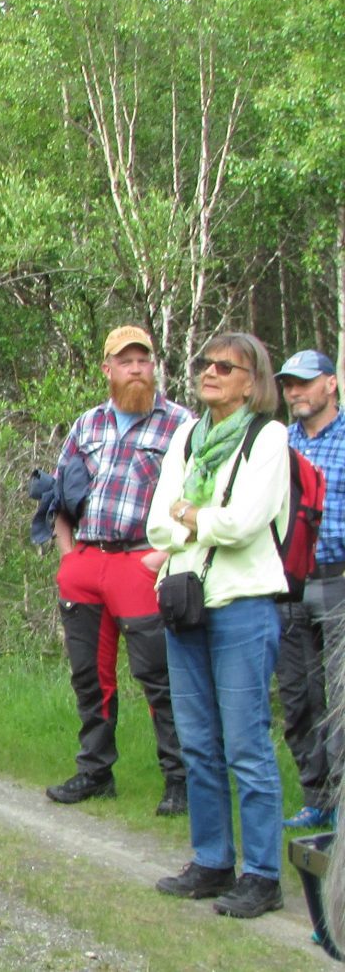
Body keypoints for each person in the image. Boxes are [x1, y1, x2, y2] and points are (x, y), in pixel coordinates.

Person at [148, 332, 290, 918]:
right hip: (185, 602)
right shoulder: (187, 436)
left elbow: (246, 523)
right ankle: (211, 860)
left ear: (252, 382)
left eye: (225, 366)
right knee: (198, 742)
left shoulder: (267, 437)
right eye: (205, 363)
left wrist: (190, 515)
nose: (209, 372)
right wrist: (198, 518)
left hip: (243, 605)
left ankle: (262, 875)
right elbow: (157, 524)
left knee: (246, 744)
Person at [44, 326, 189, 814]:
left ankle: (179, 780)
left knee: (158, 677)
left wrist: (161, 558)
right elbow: (59, 493)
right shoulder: (88, 424)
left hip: (142, 561)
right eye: (125, 362)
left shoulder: (180, 425)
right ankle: (95, 771)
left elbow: (201, 496)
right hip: (87, 560)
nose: (136, 370)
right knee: (90, 676)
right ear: (107, 370)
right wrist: (68, 554)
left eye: (143, 361)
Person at [274, 348, 345, 830]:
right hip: (289, 584)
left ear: (330, 384)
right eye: (288, 384)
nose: (295, 392)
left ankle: (342, 800)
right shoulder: (279, 445)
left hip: (339, 579)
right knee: (299, 697)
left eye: (304, 382)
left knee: (341, 696)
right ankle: (317, 797)